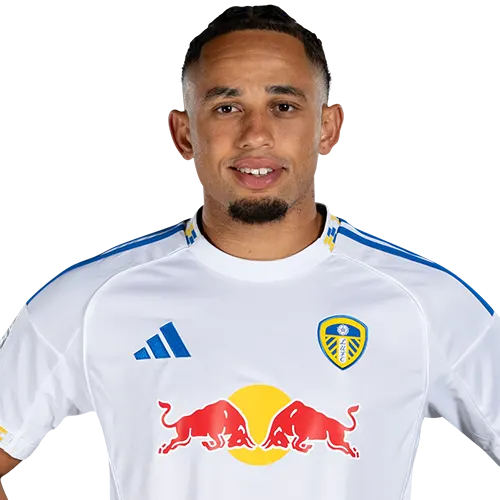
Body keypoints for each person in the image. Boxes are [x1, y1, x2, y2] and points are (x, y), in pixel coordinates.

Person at [0, 5, 498, 500]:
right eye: (227, 107)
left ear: (326, 128)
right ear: (183, 133)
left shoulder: (428, 301)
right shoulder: (89, 300)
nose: (256, 134)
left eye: (283, 106)